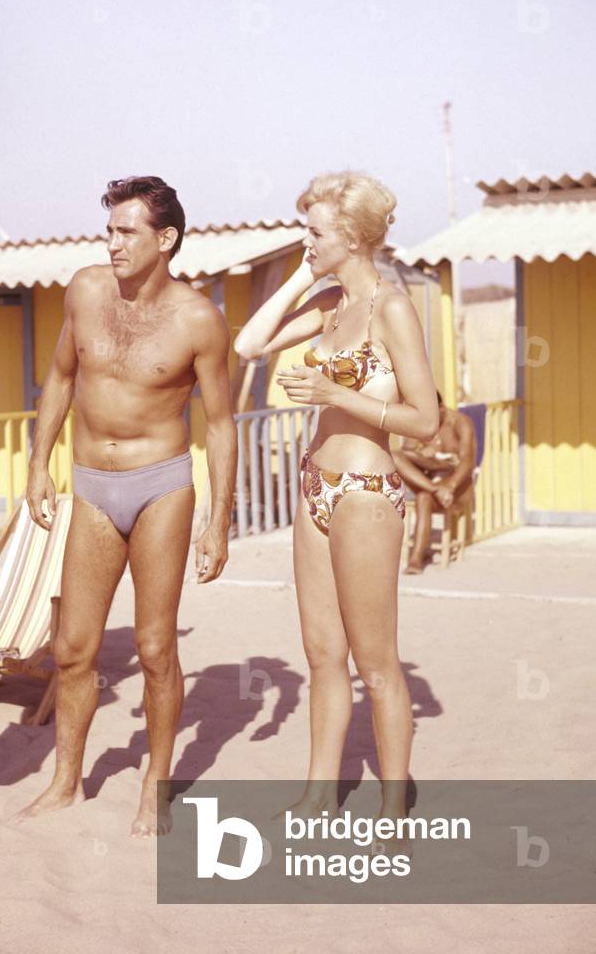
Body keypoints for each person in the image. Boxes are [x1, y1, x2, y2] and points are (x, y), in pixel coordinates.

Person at [17, 175, 236, 837]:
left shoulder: (198, 318)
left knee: (152, 646)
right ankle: (65, 780)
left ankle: (155, 786)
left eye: (126, 231)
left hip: (159, 486)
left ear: (164, 239)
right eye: (108, 230)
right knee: (74, 649)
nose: (111, 243)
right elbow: (59, 376)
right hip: (88, 485)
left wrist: (217, 519)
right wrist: (37, 463)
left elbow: (221, 424)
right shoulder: (84, 290)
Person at [234, 172, 438, 825]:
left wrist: (337, 397)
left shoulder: (392, 308)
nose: (305, 239)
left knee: (375, 665)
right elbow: (249, 345)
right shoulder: (331, 306)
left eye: (315, 231)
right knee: (322, 656)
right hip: (314, 489)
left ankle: (394, 806)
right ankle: (320, 792)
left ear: (350, 235)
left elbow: (424, 418)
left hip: (365, 494)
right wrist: (303, 274)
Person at [392, 390, 477, 574]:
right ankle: (416, 559)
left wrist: (450, 485)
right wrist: (422, 453)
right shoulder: (422, 424)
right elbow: (407, 452)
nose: (428, 418)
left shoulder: (460, 423)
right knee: (395, 457)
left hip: (456, 484)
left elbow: (467, 462)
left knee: (424, 496)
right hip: (431, 480)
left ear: (441, 407)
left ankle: (416, 559)